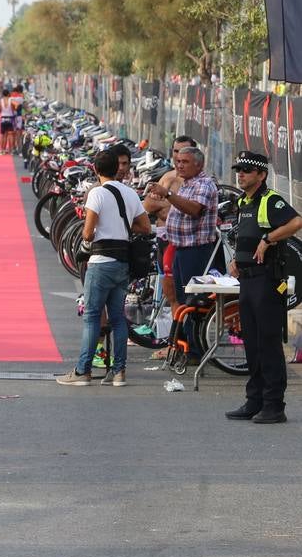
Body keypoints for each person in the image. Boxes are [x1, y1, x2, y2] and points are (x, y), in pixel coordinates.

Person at [57, 149, 150, 387]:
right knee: (118, 318)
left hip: (100, 262)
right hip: (123, 263)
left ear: (96, 170)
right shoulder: (129, 193)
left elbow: (88, 232)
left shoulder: (97, 193)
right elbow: (145, 227)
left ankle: (82, 371)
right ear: (117, 168)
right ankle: (119, 372)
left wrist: (95, 235)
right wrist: (122, 228)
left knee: (92, 317)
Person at [225, 151, 302, 424]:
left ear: (261, 175)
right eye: (239, 169)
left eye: (246, 170)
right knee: (252, 344)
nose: (241, 174)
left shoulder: (270, 200)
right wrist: (235, 259)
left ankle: (273, 405)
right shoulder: (243, 202)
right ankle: (254, 400)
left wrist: (268, 239)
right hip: (246, 280)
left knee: (268, 344)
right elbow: (244, 237)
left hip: (267, 281)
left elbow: (296, 222)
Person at [146, 146, 219, 363]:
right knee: (181, 300)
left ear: (199, 164)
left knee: (195, 301)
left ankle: (195, 350)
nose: (179, 165)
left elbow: (194, 209)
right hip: (179, 248)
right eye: (178, 161)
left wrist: (168, 194)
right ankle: (184, 345)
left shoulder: (204, 185)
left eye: (185, 162)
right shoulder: (187, 184)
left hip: (196, 251)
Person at [143, 136, 198, 337]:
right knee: (168, 293)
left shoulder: (199, 183)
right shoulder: (168, 178)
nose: (179, 158)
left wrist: (167, 204)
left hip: (186, 243)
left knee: (184, 294)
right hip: (164, 239)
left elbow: (191, 212)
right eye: (176, 152)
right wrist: (176, 205)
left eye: (184, 154)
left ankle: (184, 340)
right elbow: (148, 206)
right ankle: (170, 340)